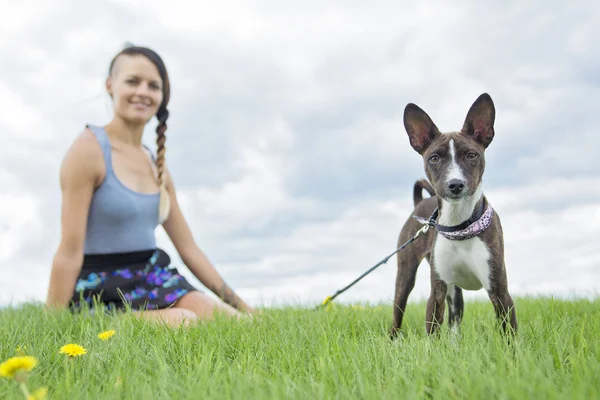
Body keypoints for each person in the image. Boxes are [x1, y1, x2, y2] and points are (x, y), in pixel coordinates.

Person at [45, 44, 256, 326]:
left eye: (153, 86)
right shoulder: (88, 150)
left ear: (162, 96)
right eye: (132, 81)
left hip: (151, 277)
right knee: (185, 322)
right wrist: (51, 326)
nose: (143, 91)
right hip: (101, 290)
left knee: (238, 325)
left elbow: (189, 249)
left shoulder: (156, 165)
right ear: (110, 86)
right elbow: (69, 252)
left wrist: (245, 308)